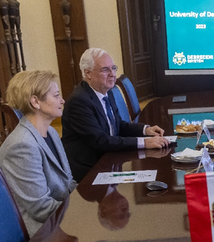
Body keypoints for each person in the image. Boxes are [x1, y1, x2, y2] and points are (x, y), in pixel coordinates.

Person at [62, 48, 170, 182]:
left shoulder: (107, 92)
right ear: (88, 73)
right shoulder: (79, 101)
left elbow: (118, 125)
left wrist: (145, 130)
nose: (112, 74)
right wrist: (144, 142)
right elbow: (101, 141)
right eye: (105, 70)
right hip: (91, 171)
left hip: (110, 160)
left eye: (113, 68)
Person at [0, 70, 77, 237]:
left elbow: (68, 182)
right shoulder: (22, 145)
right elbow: (41, 209)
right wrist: (82, 212)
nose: (62, 100)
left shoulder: (51, 132)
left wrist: (88, 200)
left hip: (58, 216)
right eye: (56, 95)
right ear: (35, 102)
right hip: (37, 233)